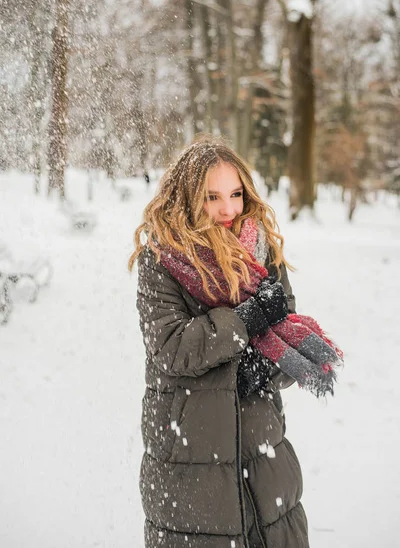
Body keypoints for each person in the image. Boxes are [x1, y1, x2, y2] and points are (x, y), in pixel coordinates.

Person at [129, 135, 342, 548]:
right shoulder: (161, 261)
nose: (228, 209)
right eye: (211, 197)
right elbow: (171, 346)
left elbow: (287, 334)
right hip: (190, 455)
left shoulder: (262, 251)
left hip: (263, 451)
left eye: (235, 194)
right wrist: (243, 321)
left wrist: (265, 370)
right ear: (186, 198)